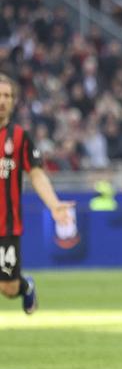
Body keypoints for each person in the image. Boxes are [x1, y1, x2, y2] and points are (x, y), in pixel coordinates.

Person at [0, 74, 74, 314]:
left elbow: (37, 174)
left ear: (13, 101)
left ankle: (25, 285)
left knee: (9, 288)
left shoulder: (20, 137)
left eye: (7, 96)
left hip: (6, 226)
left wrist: (54, 205)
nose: (2, 100)